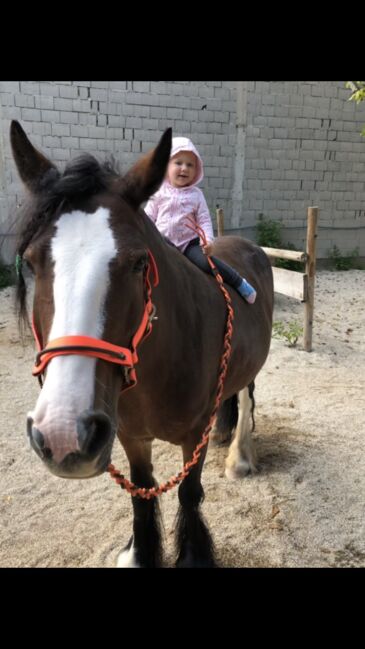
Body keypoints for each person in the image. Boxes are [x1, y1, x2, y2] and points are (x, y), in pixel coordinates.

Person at [144, 136, 257, 304]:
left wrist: (208, 241)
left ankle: (238, 282)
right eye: (178, 163)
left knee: (207, 264)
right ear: (167, 166)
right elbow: (148, 219)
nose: (184, 168)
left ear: (196, 170)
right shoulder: (159, 192)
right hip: (163, 244)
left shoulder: (196, 195)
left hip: (188, 244)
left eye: (190, 165)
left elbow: (204, 220)